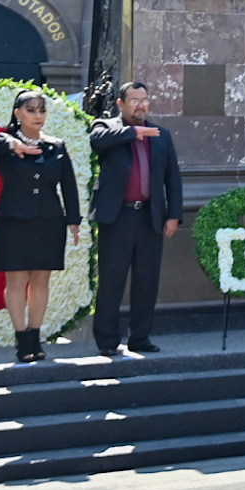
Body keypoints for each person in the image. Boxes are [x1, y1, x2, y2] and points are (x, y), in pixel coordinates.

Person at [0, 90, 82, 364]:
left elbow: (68, 185)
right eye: (31, 110)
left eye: (42, 110)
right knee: (16, 280)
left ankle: (35, 336)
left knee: (41, 280)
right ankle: (21, 338)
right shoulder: (4, 145)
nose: (38, 116)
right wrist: (9, 143)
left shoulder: (56, 146)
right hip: (12, 221)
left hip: (49, 221)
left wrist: (73, 220)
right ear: (17, 113)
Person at [88, 82, 184, 355]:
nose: (141, 105)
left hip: (150, 217)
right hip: (117, 217)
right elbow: (97, 142)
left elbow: (172, 179)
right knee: (112, 280)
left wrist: (173, 216)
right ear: (121, 104)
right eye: (134, 100)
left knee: (146, 281)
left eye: (144, 100)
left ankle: (140, 338)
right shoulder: (106, 127)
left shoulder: (161, 136)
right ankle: (107, 341)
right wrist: (132, 133)